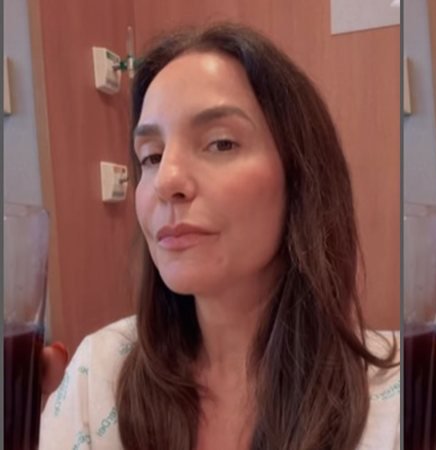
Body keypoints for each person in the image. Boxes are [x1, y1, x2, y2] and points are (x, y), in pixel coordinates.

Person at [39, 23, 399, 450]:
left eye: (221, 144)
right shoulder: (97, 378)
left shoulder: (397, 400)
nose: (166, 180)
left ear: (301, 177)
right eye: (151, 156)